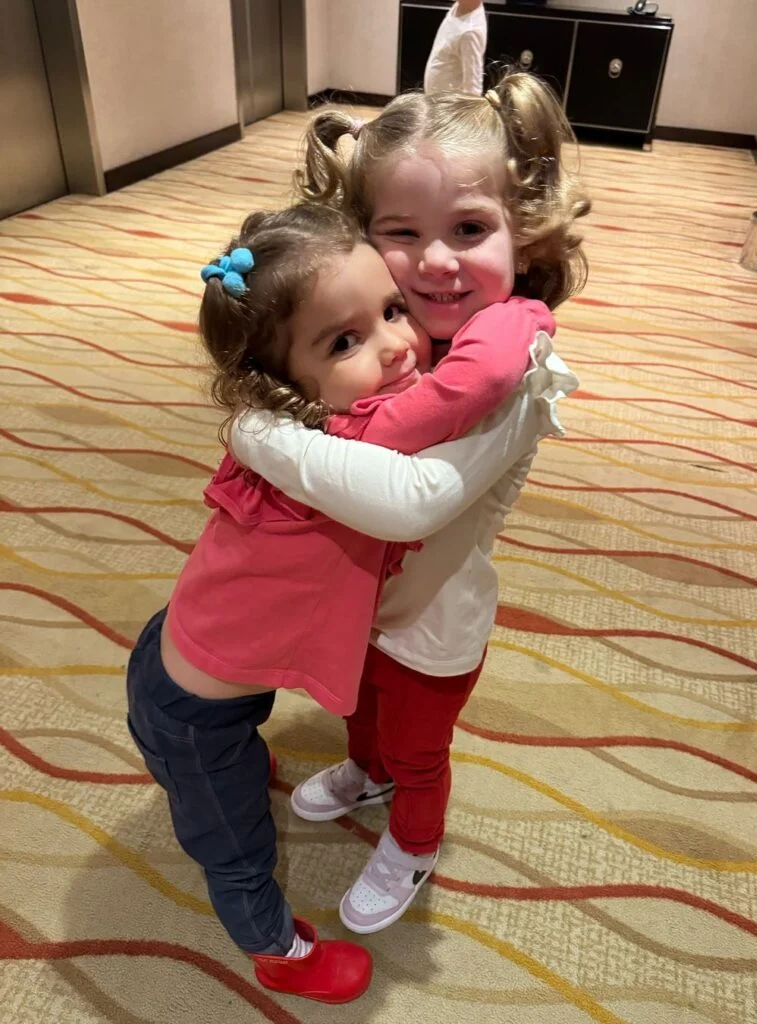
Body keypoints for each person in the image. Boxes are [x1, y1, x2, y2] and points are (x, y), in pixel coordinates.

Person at [126, 201, 562, 1003]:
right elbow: (466, 390)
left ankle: (203, 768)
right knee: (231, 846)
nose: (395, 344)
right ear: (286, 383)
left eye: (392, 310)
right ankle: (277, 951)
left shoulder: (295, 431)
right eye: (343, 342)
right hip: (195, 707)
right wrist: (521, 311)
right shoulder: (352, 440)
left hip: (181, 654)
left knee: (202, 744)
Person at [230, 70, 587, 936]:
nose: (434, 261)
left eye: (468, 229)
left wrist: (258, 435)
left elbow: (408, 501)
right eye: (400, 232)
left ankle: (413, 840)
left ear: (523, 233)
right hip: (358, 595)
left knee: (420, 747)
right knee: (357, 706)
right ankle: (367, 769)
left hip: (437, 619)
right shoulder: (397, 335)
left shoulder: (516, 371)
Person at [424, 0, 487, 96]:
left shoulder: (470, 33)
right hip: (435, 97)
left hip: (447, 101)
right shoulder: (458, 7)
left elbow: (473, 87)